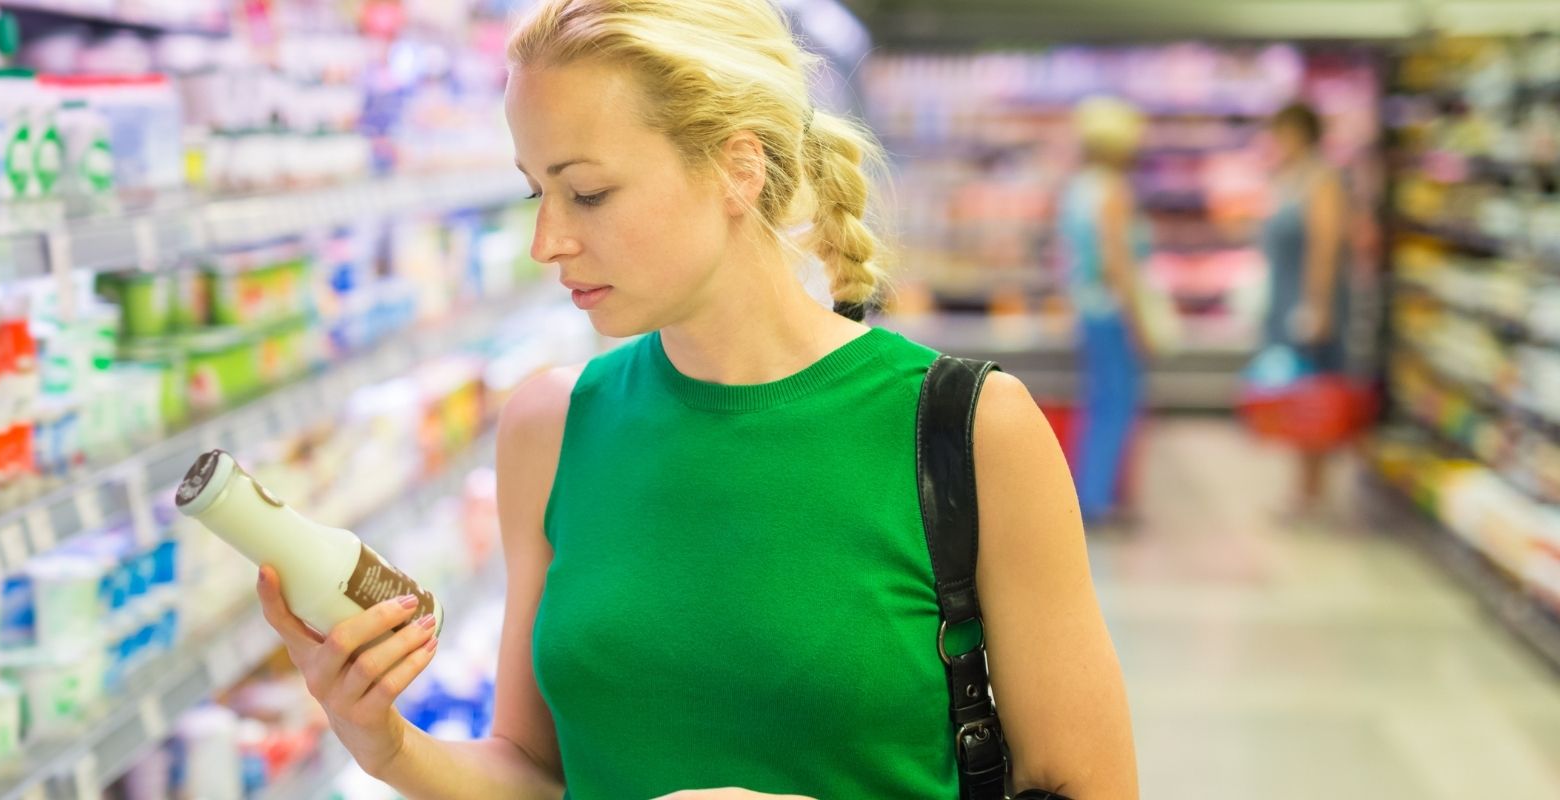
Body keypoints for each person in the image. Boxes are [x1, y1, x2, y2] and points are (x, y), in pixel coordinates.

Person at [254, 1, 1139, 798]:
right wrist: (388, 746)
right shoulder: (553, 428)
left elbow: (1088, 785)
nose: (546, 240)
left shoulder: (965, 429)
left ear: (737, 169)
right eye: (537, 192)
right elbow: (535, 772)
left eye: (587, 192)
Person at [1055, 96, 1151, 528]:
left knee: (1098, 401)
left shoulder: (1078, 187)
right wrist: (1140, 321)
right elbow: (1119, 264)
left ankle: (1090, 493)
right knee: (1117, 403)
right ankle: (1098, 499)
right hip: (1112, 311)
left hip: (1087, 307)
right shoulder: (1113, 191)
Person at [1259, 101, 1350, 514]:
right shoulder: (1289, 179)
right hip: (1287, 300)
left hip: (1307, 305)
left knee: (1315, 394)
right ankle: (1303, 488)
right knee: (1295, 393)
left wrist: (1317, 307)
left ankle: (1314, 490)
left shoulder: (1322, 182)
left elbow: (1324, 249)